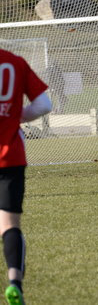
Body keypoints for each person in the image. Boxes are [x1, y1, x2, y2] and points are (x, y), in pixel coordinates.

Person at [0, 48, 52, 305]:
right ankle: (14, 283)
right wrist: (16, 116)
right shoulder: (15, 62)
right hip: (10, 156)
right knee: (9, 225)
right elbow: (44, 105)